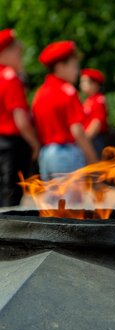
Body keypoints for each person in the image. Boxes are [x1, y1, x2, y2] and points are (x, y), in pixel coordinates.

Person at [32, 40, 97, 184]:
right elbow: (77, 131)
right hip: (65, 154)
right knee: (69, 204)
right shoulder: (67, 91)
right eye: (74, 66)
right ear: (60, 67)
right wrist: (93, 160)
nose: (77, 72)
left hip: (46, 155)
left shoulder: (40, 93)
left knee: (52, 205)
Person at [0, 28, 40, 206]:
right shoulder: (10, 78)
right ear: (5, 53)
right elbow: (21, 121)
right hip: (11, 146)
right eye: (17, 52)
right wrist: (35, 143)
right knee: (11, 199)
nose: (20, 55)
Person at [80, 68, 109, 158]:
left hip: (95, 139)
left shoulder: (98, 100)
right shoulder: (88, 100)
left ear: (95, 84)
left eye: (85, 81)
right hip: (90, 139)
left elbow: (96, 123)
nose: (81, 85)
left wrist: (85, 139)